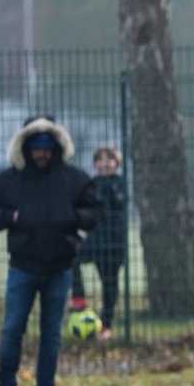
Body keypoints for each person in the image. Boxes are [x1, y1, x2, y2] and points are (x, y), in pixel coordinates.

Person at [0, 116, 100, 386]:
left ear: (57, 147)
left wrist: (72, 218)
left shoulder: (75, 179)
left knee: (51, 337)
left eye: (47, 146)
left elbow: (93, 213)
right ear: (26, 147)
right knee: (12, 332)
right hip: (22, 268)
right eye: (36, 146)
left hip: (60, 269)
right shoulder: (8, 181)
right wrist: (10, 218)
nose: (42, 152)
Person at [69, 146, 127, 341]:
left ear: (116, 164)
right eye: (100, 160)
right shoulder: (91, 184)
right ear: (94, 164)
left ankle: (106, 325)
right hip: (94, 240)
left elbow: (119, 203)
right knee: (72, 258)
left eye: (109, 160)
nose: (104, 164)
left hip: (114, 245)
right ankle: (78, 298)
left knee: (109, 284)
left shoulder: (120, 183)